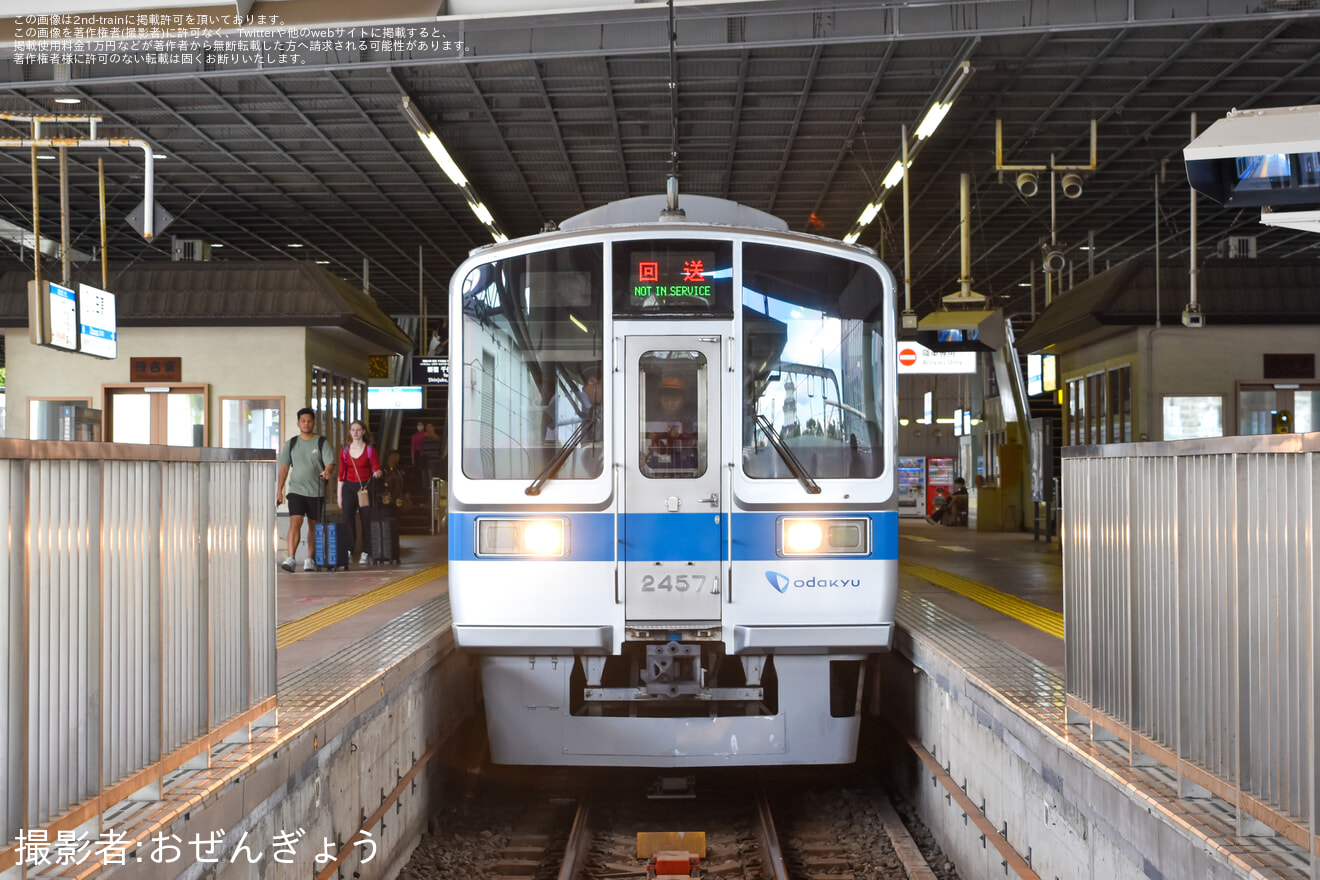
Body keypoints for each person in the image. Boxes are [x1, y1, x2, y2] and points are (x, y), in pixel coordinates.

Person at [276, 407, 335, 572]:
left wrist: (327, 471)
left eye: (309, 421)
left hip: (316, 491)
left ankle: (310, 558)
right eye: (303, 421)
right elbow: (284, 468)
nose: (306, 423)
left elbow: (330, 462)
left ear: (313, 423)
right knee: (295, 521)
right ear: (298, 423)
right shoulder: (291, 443)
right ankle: (291, 558)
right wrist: (279, 490)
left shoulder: (322, 442)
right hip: (296, 490)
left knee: (313, 525)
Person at [338, 420, 384, 566]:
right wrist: (339, 495)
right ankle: (349, 550)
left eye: (358, 430)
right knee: (347, 520)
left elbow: (376, 467)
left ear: (364, 432)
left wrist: (377, 472)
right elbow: (341, 474)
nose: (355, 432)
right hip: (348, 488)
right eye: (353, 430)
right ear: (350, 432)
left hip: (365, 488)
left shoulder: (370, 450)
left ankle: (365, 551)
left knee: (366, 519)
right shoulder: (345, 452)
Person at [645, 373, 699, 473]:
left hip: (689, 470)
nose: (670, 404)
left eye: (675, 400)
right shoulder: (652, 422)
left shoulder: (694, 419)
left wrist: (694, 439)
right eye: (665, 400)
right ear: (660, 399)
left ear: (683, 399)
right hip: (658, 471)